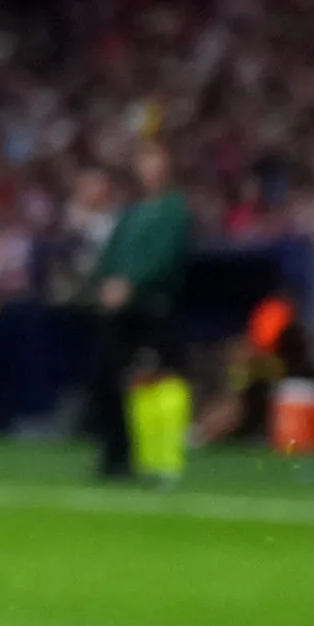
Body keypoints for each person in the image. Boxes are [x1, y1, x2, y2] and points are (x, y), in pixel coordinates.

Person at [87, 141, 192, 482]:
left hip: (151, 308)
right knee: (109, 379)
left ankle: (151, 455)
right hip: (119, 310)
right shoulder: (132, 212)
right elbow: (111, 254)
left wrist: (131, 284)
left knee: (149, 381)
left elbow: (166, 258)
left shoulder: (174, 211)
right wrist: (106, 282)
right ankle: (114, 452)